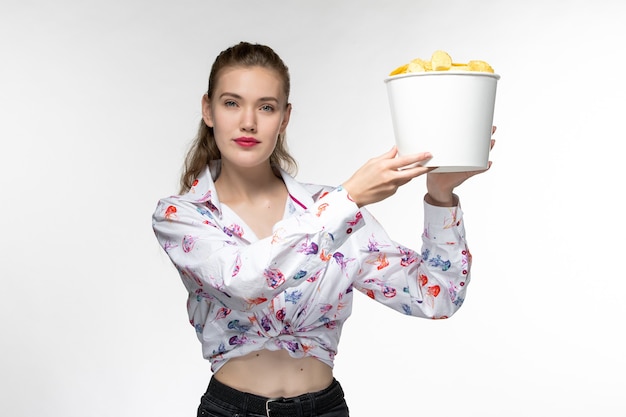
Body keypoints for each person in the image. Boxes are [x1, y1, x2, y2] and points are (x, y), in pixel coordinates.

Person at [152, 41, 494, 417]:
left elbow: (437, 296)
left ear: (284, 118)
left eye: (266, 107)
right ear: (208, 110)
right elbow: (244, 281)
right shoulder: (182, 215)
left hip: (325, 409)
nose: (248, 121)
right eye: (232, 103)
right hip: (232, 410)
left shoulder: (330, 210)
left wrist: (441, 195)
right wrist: (349, 199)